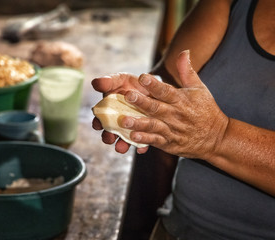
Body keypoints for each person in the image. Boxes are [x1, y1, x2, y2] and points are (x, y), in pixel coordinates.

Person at [92, 0, 275, 239]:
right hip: (176, 227)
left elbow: (210, 130)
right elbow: (172, 85)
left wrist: (219, 137)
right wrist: (145, 99)